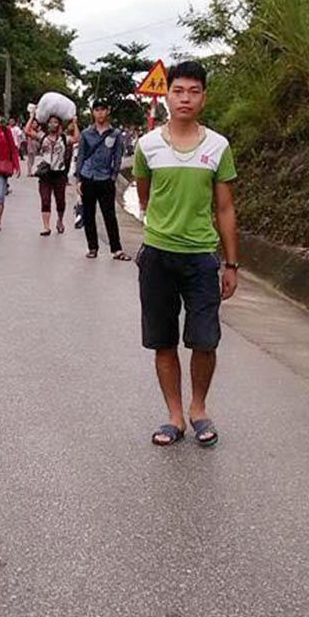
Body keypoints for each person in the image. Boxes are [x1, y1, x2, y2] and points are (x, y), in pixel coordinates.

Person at [133, 61, 239, 449]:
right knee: (163, 340)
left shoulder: (218, 146)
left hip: (200, 257)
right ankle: (174, 416)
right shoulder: (147, 146)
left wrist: (231, 263)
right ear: (167, 95)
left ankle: (199, 409)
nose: (185, 98)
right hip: (158, 255)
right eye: (178, 90)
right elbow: (145, 196)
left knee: (204, 339)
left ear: (203, 97)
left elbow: (224, 208)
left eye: (194, 91)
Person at [74, 100, 131, 261]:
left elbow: (118, 157)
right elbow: (81, 156)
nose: (100, 113)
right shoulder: (86, 134)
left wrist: (113, 176)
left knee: (109, 215)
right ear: (93, 112)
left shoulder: (116, 134)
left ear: (108, 111)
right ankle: (92, 247)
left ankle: (116, 249)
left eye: (102, 110)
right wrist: (78, 179)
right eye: (97, 110)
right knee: (89, 214)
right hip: (88, 176)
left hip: (106, 178)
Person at [25, 113, 76, 236]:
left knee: (60, 201)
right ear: (47, 124)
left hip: (59, 174)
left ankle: (59, 220)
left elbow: (76, 138)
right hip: (45, 174)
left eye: (55, 122)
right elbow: (27, 131)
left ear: (59, 125)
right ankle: (46, 227)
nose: (52, 124)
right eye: (50, 122)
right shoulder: (43, 137)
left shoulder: (64, 138)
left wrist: (75, 123)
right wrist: (32, 116)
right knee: (45, 199)